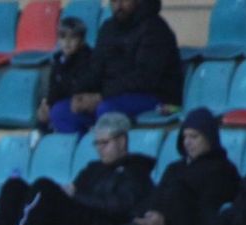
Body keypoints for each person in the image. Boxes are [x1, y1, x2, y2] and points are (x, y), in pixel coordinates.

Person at [79, 107, 240, 225]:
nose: (187, 142)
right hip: (152, 224)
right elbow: (156, 196)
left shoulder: (223, 170)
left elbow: (206, 208)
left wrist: (165, 219)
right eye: (185, 136)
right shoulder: (175, 168)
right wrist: (148, 215)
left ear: (210, 137)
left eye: (194, 137)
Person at [0, 112, 155, 225]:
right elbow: (72, 195)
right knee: (14, 186)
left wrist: (75, 195)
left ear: (122, 141)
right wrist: (70, 194)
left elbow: (119, 207)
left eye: (105, 143)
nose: (100, 149)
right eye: (97, 143)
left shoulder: (136, 172)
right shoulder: (93, 168)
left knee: (44, 186)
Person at [52, 0, 182, 134]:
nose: (118, 6)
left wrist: (101, 96)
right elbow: (95, 70)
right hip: (111, 95)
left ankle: (115, 153)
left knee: (107, 110)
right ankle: (85, 152)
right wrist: (77, 94)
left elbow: (144, 79)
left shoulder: (155, 29)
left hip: (154, 97)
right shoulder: (108, 28)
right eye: (114, 1)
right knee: (60, 112)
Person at [36, 16, 94, 132]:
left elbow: (81, 87)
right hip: (63, 104)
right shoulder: (58, 61)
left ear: (82, 40)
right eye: (63, 37)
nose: (67, 42)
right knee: (44, 113)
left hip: (82, 107)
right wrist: (47, 104)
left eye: (72, 37)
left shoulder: (89, 59)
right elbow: (54, 89)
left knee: (59, 111)